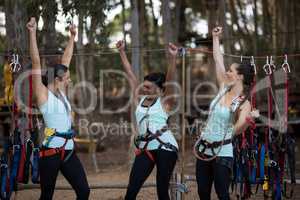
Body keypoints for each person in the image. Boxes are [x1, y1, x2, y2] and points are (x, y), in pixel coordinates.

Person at [27, 17, 90, 200]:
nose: (70, 80)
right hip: (51, 152)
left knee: (84, 191)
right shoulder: (43, 94)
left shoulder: (61, 92)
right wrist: (32, 33)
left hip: (68, 150)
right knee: (47, 195)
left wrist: (72, 36)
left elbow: (66, 59)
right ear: (57, 79)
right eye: (67, 78)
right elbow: (36, 62)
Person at [194, 27, 254, 200]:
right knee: (203, 192)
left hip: (222, 152)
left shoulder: (244, 102)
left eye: (231, 71)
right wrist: (215, 37)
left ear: (240, 77)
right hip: (204, 148)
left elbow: (239, 125)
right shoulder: (223, 87)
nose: (227, 72)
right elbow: (218, 59)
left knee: (222, 194)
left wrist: (244, 124)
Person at [116, 40, 179, 200]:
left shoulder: (166, 102)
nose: (144, 89)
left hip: (166, 148)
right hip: (146, 147)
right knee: (132, 189)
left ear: (160, 89)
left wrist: (172, 59)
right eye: (144, 86)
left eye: (148, 87)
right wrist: (122, 51)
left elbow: (170, 81)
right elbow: (130, 73)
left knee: (162, 190)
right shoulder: (140, 98)